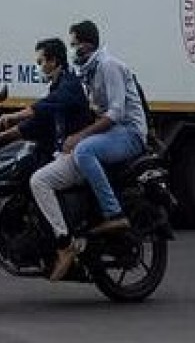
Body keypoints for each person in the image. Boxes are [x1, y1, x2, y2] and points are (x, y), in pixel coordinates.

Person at [0, 37, 93, 281]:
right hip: (62, 154)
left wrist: (12, 116)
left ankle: (64, 242)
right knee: (26, 167)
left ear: (53, 61)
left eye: (40, 61)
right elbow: (38, 124)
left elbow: (43, 107)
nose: (38, 66)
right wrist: (1, 137)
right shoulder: (57, 85)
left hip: (76, 156)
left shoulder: (69, 85)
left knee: (39, 181)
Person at [65, 20, 147, 235]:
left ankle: (114, 214)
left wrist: (80, 136)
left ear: (88, 45)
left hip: (130, 132)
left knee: (84, 150)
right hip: (113, 132)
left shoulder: (108, 66)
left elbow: (116, 113)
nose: (73, 50)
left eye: (75, 45)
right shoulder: (88, 71)